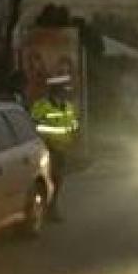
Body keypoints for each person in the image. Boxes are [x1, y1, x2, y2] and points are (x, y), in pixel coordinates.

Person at [31, 75, 80, 222]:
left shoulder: (68, 107)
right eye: (63, 91)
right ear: (55, 91)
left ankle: (52, 208)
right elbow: (32, 124)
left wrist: (74, 138)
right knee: (48, 180)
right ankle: (45, 209)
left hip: (62, 149)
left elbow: (73, 125)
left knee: (58, 180)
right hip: (46, 149)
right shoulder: (42, 106)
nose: (66, 93)